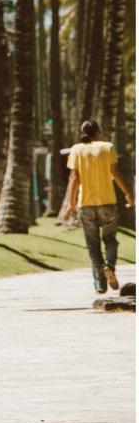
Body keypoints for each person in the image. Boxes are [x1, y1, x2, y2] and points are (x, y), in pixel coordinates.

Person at [66, 120, 135, 294]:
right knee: (110, 239)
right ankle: (109, 266)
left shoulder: (76, 149)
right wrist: (128, 194)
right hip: (108, 202)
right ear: (98, 132)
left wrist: (71, 203)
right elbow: (116, 173)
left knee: (93, 245)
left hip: (86, 204)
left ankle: (99, 284)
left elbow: (75, 178)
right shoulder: (108, 147)